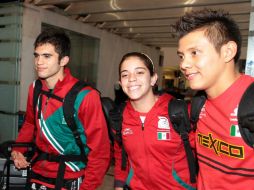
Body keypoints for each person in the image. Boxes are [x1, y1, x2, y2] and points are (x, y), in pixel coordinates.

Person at [11, 28, 110, 190]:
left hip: (69, 176)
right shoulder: (35, 88)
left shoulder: (85, 96)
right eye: (37, 55)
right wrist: (18, 150)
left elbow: (100, 152)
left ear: (64, 60)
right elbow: (30, 123)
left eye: (47, 56)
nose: (39, 62)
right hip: (37, 173)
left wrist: (87, 187)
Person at [174, 8, 254, 189]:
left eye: (194, 52)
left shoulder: (250, 101)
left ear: (228, 52)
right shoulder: (198, 104)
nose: (184, 64)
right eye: (181, 56)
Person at [113, 52, 196, 190]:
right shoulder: (119, 117)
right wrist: (119, 185)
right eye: (125, 75)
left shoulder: (179, 113)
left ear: (153, 79)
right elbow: (120, 155)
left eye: (139, 72)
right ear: (121, 83)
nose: (131, 79)